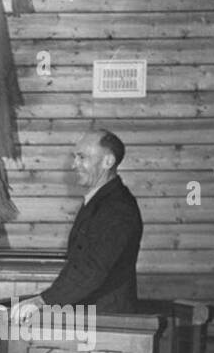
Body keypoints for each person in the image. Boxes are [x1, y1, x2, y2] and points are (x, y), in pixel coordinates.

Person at [16, 129, 142, 318]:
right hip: (91, 314)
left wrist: (43, 301)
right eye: (75, 157)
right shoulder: (100, 202)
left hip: (108, 320)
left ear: (108, 162)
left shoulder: (118, 209)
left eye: (82, 157)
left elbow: (92, 268)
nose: (74, 165)